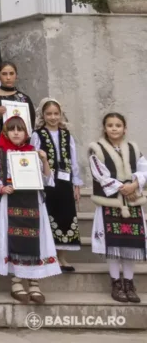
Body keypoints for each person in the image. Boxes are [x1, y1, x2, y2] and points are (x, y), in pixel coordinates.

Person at [0, 116, 59, 303]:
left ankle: (34, 283)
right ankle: (16, 282)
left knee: (36, 240)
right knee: (14, 239)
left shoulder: (33, 152)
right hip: (11, 200)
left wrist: (44, 160)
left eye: (20, 129)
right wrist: (1, 187)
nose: (16, 133)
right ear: (5, 132)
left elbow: (47, 180)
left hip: (33, 201)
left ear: (26, 133)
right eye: (12, 129)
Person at [88, 112, 146, 303]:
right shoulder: (96, 149)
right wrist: (124, 188)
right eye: (110, 125)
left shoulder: (133, 148)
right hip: (110, 203)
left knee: (130, 244)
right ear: (104, 128)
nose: (114, 128)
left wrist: (135, 185)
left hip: (132, 203)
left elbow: (144, 169)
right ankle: (116, 283)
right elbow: (100, 175)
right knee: (113, 244)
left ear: (124, 128)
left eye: (118, 125)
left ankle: (129, 283)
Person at [30, 98, 82, 271]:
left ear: (61, 115)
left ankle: (62, 257)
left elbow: (73, 160)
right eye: (49, 114)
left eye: (56, 114)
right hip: (47, 182)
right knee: (50, 215)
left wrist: (76, 183)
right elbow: (33, 158)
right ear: (43, 115)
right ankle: (50, 256)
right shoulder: (37, 135)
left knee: (65, 216)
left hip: (65, 182)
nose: (53, 117)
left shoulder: (67, 135)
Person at [0, 62, 37, 131]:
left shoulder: (24, 98)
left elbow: (30, 124)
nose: (8, 77)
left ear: (16, 76)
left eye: (11, 74)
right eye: (4, 74)